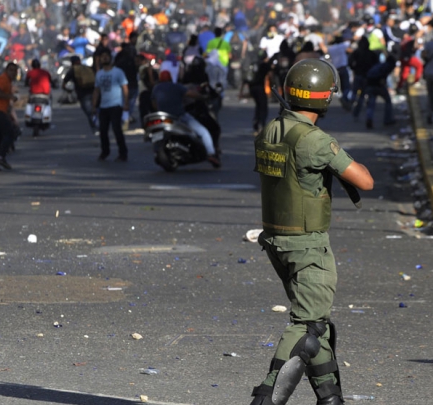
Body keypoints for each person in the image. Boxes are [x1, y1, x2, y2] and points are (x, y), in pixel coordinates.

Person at [249, 58, 374, 405]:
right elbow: (365, 180)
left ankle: (330, 398)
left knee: (316, 319)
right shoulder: (314, 140)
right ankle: (266, 398)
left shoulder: (272, 129)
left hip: (277, 240)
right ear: (324, 98)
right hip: (307, 246)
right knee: (307, 327)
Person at [151, 70, 220, 167]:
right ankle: (211, 153)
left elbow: (154, 104)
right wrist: (203, 97)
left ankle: (156, 152)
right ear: (170, 78)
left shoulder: (156, 88)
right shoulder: (176, 86)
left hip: (163, 117)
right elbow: (191, 94)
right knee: (203, 131)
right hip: (179, 116)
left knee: (157, 134)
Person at [92, 49, 129, 162]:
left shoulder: (118, 72)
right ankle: (105, 151)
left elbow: (125, 88)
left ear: (110, 58)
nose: (104, 58)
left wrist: (126, 103)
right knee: (103, 131)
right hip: (103, 106)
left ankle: (123, 153)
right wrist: (94, 105)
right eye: (102, 57)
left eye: (106, 56)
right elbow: (97, 90)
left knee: (117, 129)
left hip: (116, 105)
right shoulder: (99, 74)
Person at [62, 55, 97, 134]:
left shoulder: (72, 70)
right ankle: (99, 125)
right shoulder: (88, 68)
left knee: (89, 113)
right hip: (94, 92)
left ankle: (95, 127)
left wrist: (68, 90)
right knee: (95, 110)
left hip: (82, 95)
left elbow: (64, 84)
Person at [364, 53, 397, 129]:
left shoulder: (380, 65)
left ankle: (369, 118)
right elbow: (382, 77)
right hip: (377, 84)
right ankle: (387, 119)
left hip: (370, 84)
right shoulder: (387, 66)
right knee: (388, 101)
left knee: (371, 103)